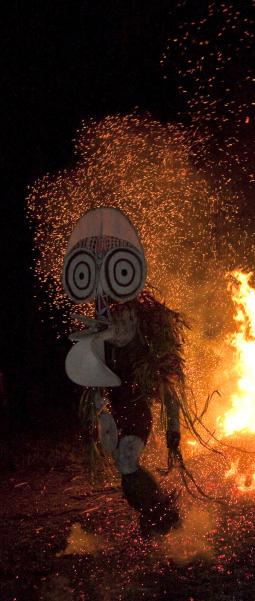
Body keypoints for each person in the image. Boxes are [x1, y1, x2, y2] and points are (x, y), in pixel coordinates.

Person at [62, 207, 194, 537]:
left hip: (136, 410)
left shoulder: (146, 330)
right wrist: (99, 415)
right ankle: (155, 517)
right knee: (125, 469)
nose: (117, 324)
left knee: (126, 462)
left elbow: (168, 381)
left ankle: (163, 516)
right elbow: (93, 383)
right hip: (118, 412)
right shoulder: (99, 331)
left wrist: (174, 428)